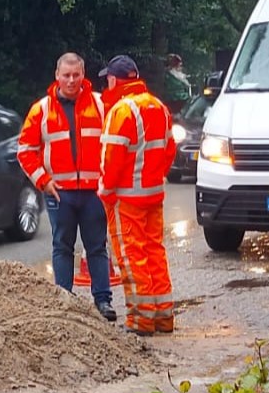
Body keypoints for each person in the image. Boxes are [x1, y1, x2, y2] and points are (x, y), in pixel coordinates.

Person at [17, 53, 114, 318]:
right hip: (60, 192)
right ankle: (63, 303)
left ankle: (103, 302)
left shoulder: (100, 104)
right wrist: (43, 181)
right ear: (57, 76)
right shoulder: (42, 109)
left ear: (84, 75)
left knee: (97, 246)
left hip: (94, 191)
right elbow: (25, 150)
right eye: (66, 75)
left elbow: (113, 146)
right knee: (62, 247)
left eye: (76, 75)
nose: (71, 80)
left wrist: (108, 182)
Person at [98, 55, 178, 334]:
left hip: (126, 198)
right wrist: (155, 176)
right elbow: (170, 151)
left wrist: (105, 191)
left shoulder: (120, 111)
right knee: (155, 251)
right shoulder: (159, 106)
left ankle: (142, 319)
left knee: (132, 257)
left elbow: (112, 160)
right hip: (153, 195)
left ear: (112, 80)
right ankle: (163, 316)